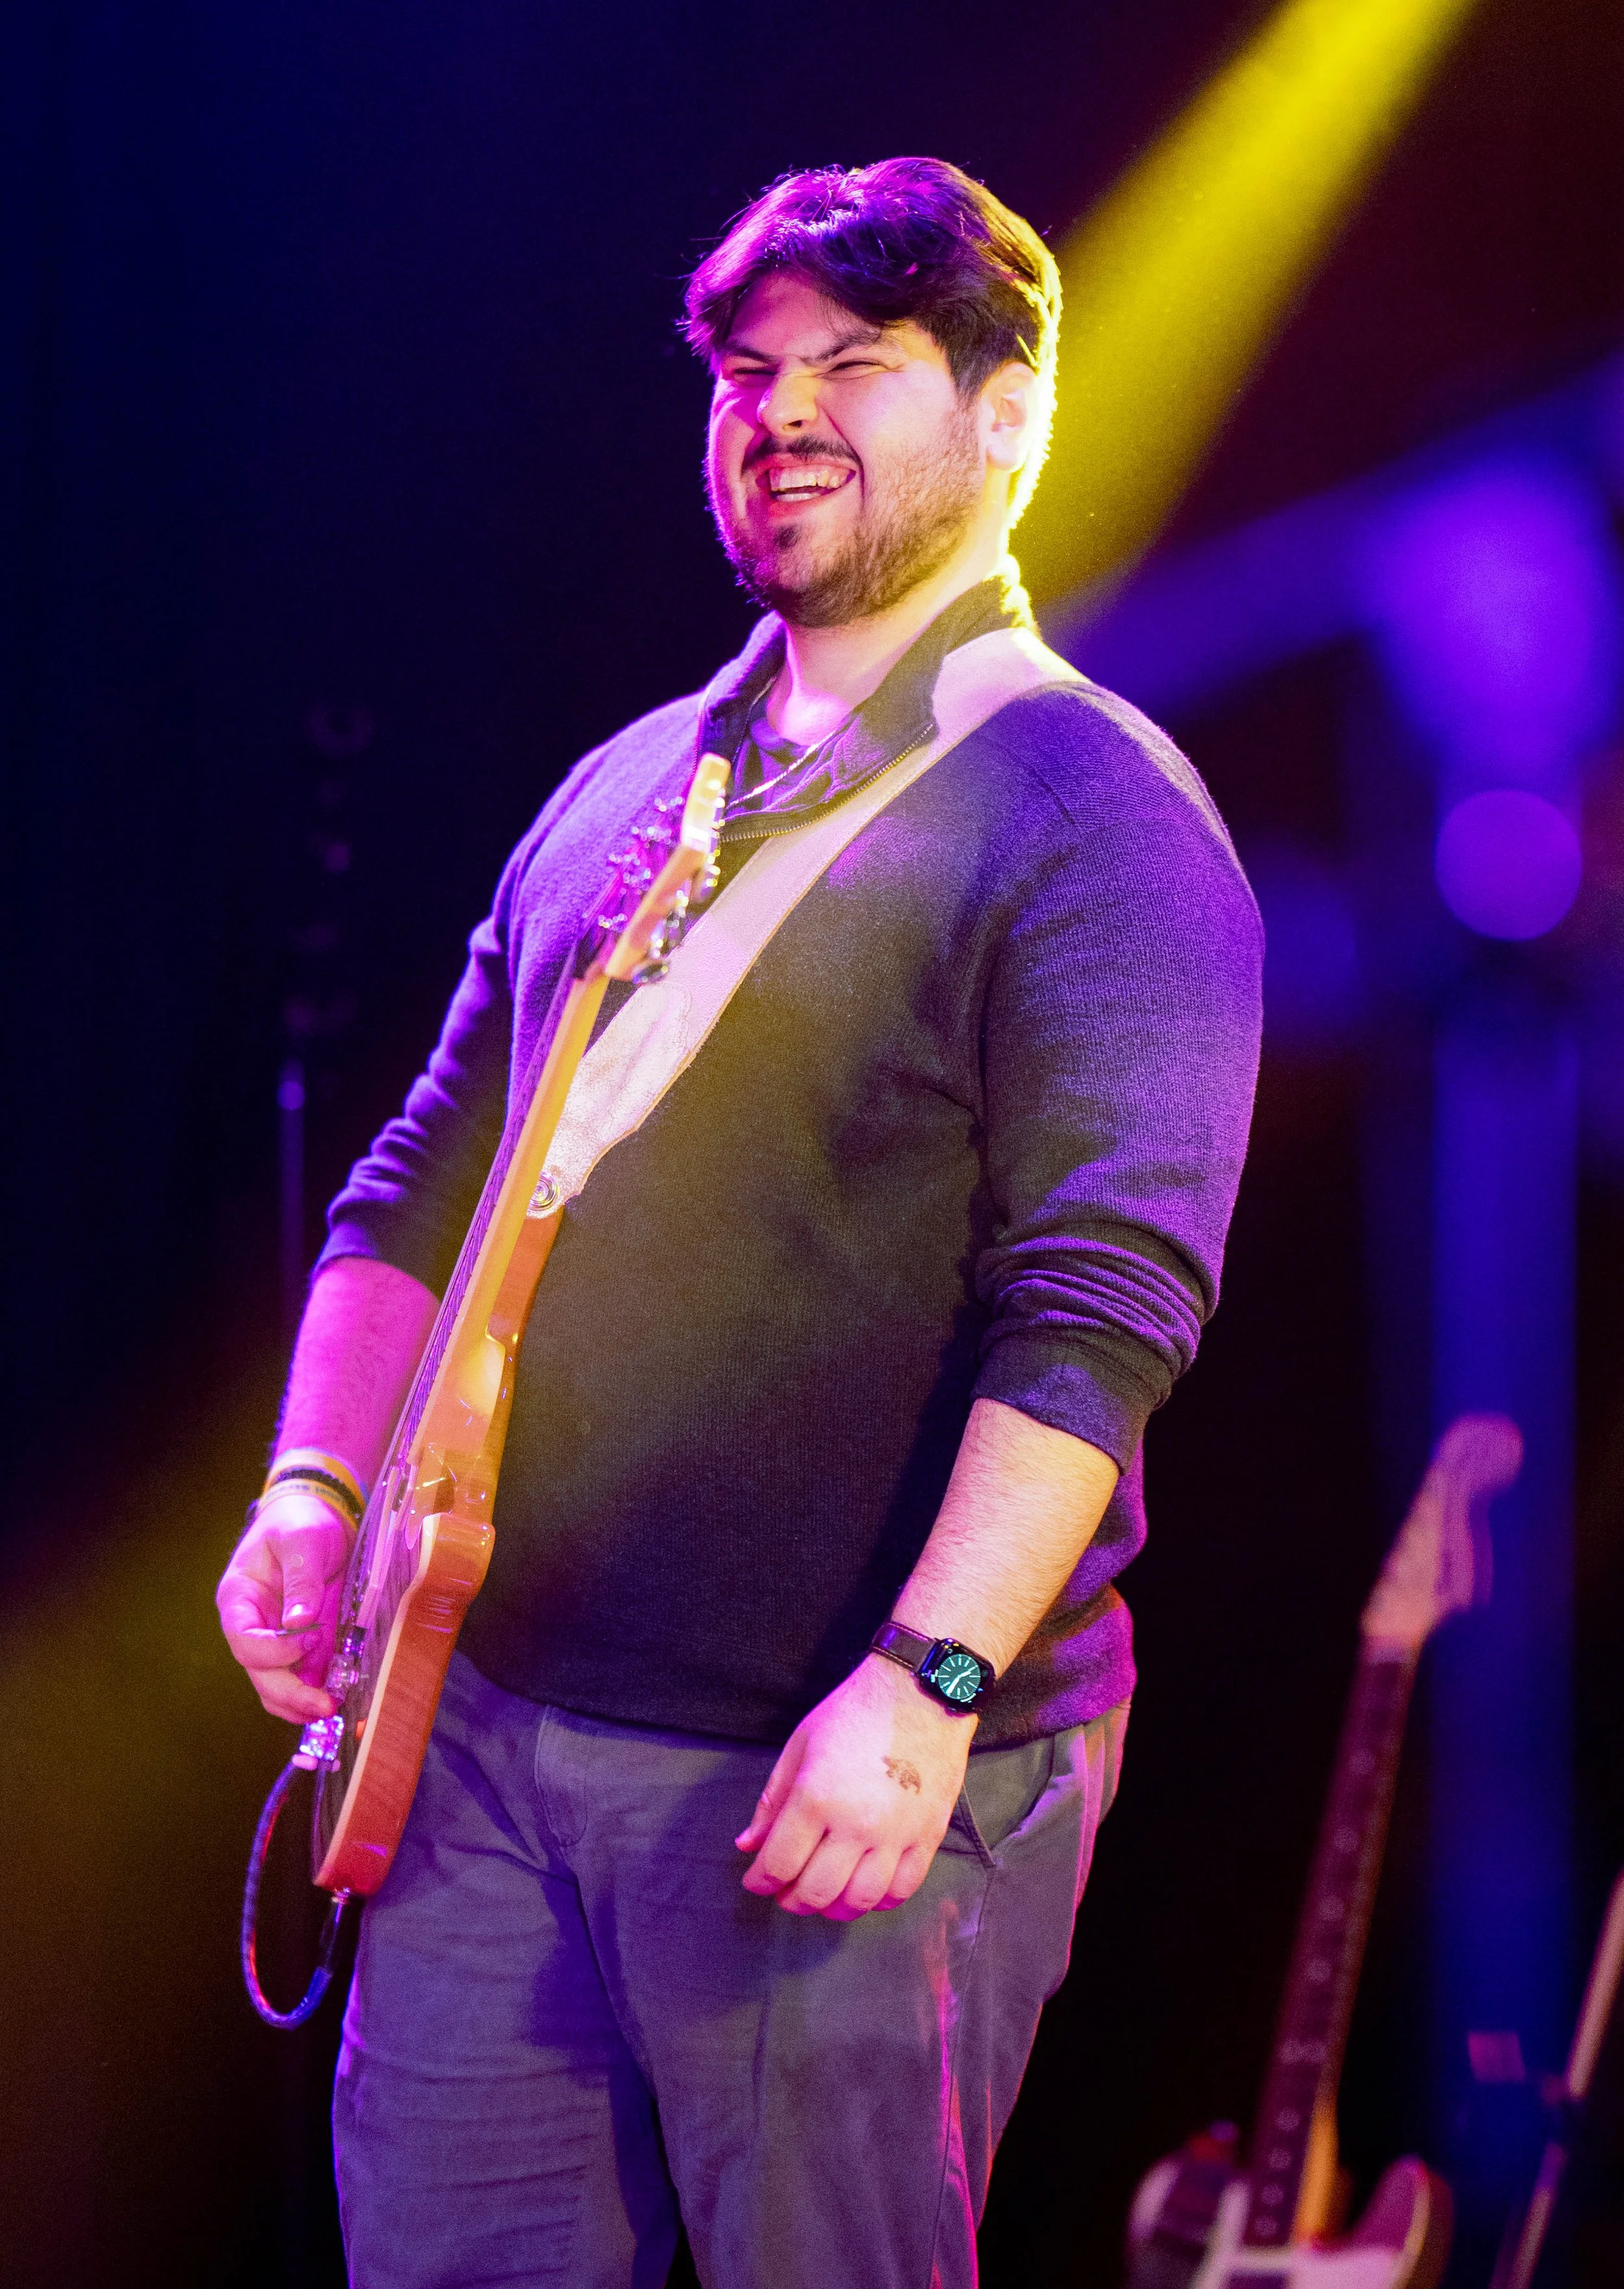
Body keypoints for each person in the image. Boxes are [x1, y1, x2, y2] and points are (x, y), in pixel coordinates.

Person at [218, 157, 1262, 2289]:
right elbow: (419, 1169)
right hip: (489, 1739)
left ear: (1003, 415)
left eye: (854, 367)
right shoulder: (622, 783)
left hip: (838, 1765)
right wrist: (315, 1479)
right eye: (745, 371)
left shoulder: (1097, 811)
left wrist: (931, 1672)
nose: (779, 411)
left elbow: (1105, 1306)